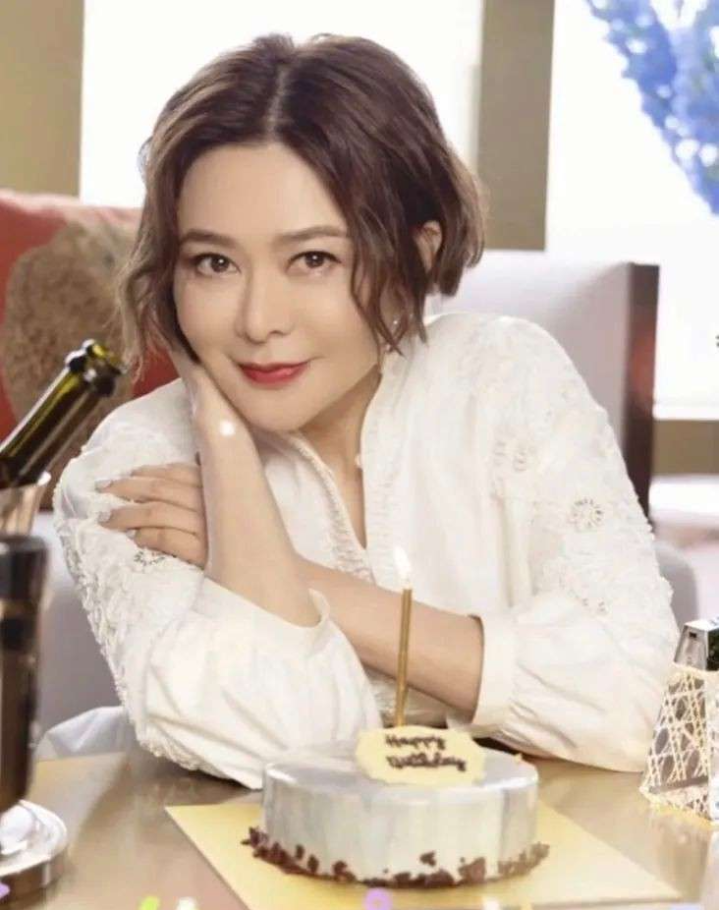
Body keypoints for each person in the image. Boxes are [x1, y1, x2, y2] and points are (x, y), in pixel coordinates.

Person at [46, 32, 679, 786]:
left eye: (313, 259)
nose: (258, 320)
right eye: (213, 263)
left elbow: (647, 707)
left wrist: (285, 568)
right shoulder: (136, 464)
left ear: (417, 253)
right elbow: (280, 750)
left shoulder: (508, 378)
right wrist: (224, 444)